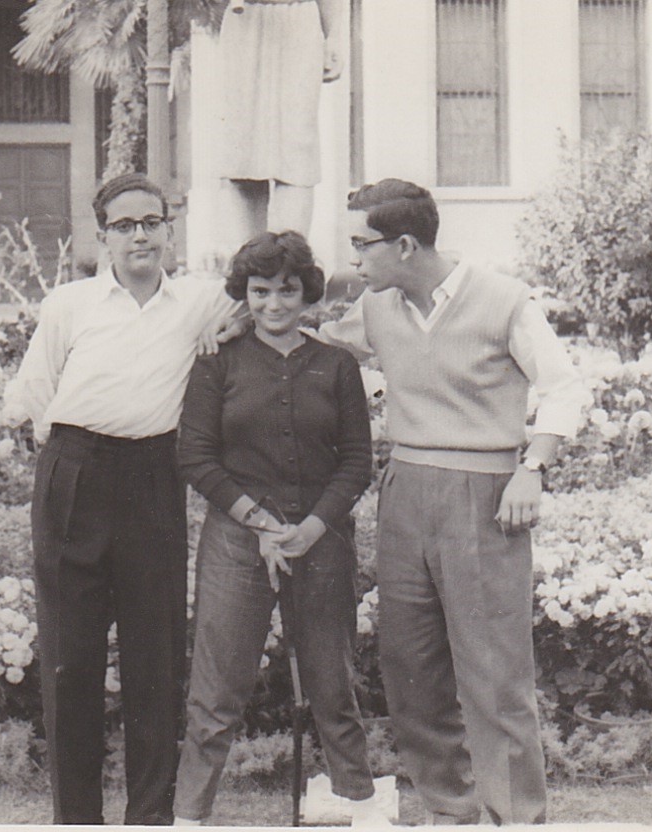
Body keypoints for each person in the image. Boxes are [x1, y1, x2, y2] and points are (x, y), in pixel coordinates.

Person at [315, 179, 590, 825]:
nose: (352, 259)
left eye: (362, 245)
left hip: (484, 497)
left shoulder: (502, 300)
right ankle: (451, 814)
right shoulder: (377, 304)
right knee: (410, 672)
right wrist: (236, 317)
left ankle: (515, 819)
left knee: (494, 678)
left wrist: (533, 469)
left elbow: (565, 388)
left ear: (405, 244)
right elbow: (311, 331)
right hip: (406, 491)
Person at [9, 173, 243, 825]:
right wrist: (63, 467)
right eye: (125, 225)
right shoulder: (71, 304)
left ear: (170, 230)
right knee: (69, 660)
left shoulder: (200, 300)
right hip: (75, 473)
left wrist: (226, 328)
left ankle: (150, 819)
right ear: (102, 236)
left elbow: (273, 286)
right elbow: (34, 394)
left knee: (156, 657)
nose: (140, 235)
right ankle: (75, 818)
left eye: (152, 222)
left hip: (152, 479)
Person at [173, 230, 385, 826]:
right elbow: (195, 456)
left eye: (287, 290)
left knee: (333, 686)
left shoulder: (336, 365)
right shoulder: (218, 363)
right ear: (244, 294)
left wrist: (314, 526)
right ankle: (189, 818)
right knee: (216, 692)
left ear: (306, 292)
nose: (274, 304)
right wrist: (260, 522)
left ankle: (361, 808)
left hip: (322, 542)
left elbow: (356, 462)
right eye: (260, 291)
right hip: (237, 544)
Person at [215, 0, 343, 249]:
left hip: (299, 17)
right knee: (242, 155)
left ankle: (291, 267)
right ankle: (249, 269)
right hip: (245, 20)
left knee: (297, 148)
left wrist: (334, 36)